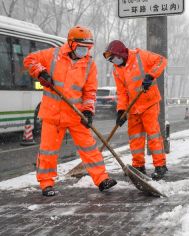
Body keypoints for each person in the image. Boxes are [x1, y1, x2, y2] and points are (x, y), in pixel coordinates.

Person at [24, 26, 117, 197]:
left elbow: (90, 91)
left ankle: (102, 179)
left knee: (89, 148)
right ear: (71, 43)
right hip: (52, 114)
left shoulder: (89, 64)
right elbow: (30, 60)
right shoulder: (52, 55)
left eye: (88, 47)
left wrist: (88, 111)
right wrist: (41, 72)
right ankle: (46, 184)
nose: (86, 50)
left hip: (76, 114)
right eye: (83, 46)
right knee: (48, 151)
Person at [103, 40, 168, 180]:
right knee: (135, 138)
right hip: (133, 107)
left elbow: (161, 60)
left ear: (121, 54)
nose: (114, 62)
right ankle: (138, 166)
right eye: (111, 60)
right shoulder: (116, 69)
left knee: (153, 135)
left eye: (114, 58)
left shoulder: (140, 56)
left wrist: (151, 75)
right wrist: (121, 110)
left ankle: (160, 166)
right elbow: (121, 92)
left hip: (149, 102)